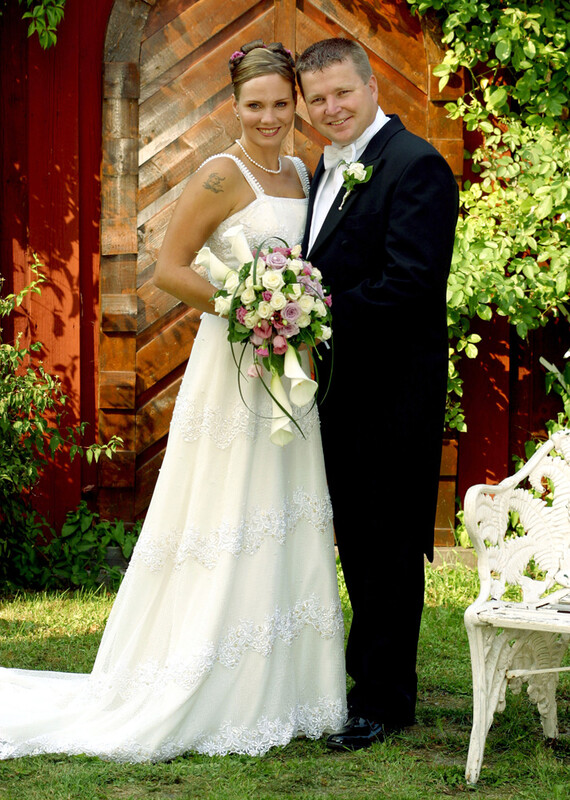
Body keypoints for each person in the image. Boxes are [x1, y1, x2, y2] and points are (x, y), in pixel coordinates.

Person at [0, 41, 347, 762]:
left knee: (283, 504)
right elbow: (170, 269)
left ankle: (288, 686)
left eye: (281, 104)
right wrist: (252, 307)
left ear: (297, 105)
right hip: (237, 359)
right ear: (233, 105)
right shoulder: (221, 174)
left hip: (288, 363)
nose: (269, 118)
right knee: (230, 503)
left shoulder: (300, 171)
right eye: (254, 105)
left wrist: (292, 315)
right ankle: (210, 672)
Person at [295, 38, 459, 750]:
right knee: (359, 542)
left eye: (343, 92)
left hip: (391, 394)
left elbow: (410, 283)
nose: (332, 108)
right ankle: (363, 679)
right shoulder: (323, 168)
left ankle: (384, 702)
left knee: (387, 546)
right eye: (318, 99)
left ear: (371, 86)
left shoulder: (415, 165)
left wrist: (311, 317)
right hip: (341, 391)